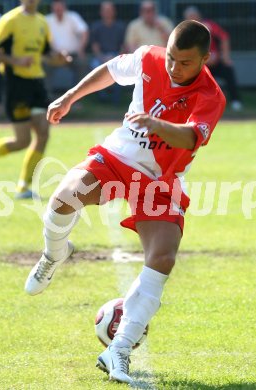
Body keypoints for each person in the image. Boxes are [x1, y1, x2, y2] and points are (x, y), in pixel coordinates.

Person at [25, 20, 226, 384]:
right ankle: (54, 255)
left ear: (205, 59)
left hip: (159, 180)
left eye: (184, 63)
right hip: (116, 158)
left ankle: (118, 350)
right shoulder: (149, 58)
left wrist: (155, 124)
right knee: (61, 200)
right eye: (171, 58)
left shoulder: (210, 95)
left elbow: (188, 138)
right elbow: (110, 71)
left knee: (162, 258)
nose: (173, 67)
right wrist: (70, 96)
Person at [0, 0, 70, 199]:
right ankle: (23, 186)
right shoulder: (9, 21)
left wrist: (60, 59)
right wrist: (16, 61)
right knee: (22, 141)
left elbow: (47, 54)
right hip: (16, 85)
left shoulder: (41, 22)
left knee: (43, 133)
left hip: (37, 85)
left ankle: (23, 186)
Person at [184, 6, 243, 111]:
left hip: (215, 62)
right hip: (199, 65)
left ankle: (235, 100)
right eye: (189, 17)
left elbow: (224, 37)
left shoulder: (208, 26)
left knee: (228, 69)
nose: (193, 19)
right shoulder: (184, 31)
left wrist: (225, 57)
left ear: (199, 16)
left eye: (194, 16)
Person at [46, 0, 89, 91]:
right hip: (54, 56)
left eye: (60, 6)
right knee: (44, 65)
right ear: (52, 8)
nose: (58, 9)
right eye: (56, 6)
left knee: (82, 63)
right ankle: (47, 97)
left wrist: (81, 50)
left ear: (64, 7)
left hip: (73, 55)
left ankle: (77, 97)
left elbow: (85, 32)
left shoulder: (73, 16)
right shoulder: (47, 20)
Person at [90, 1, 126, 103]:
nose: (107, 12)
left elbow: (123, 46)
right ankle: (102, 97)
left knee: (121, 68)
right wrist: (102, 57)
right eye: (105, 10)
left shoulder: (120, 27)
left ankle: (116, 99)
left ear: (114, 11)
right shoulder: (96, 26)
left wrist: (117, 57)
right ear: (101, 12)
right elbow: (95, 46)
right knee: (95, 65)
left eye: (109, 10)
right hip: (101, 57)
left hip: (117, 56)